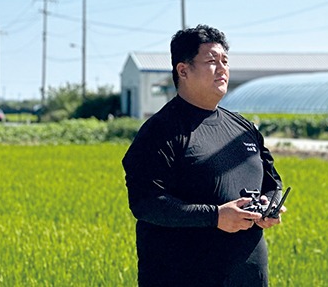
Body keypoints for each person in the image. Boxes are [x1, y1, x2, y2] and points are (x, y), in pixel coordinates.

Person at [122, 25, 284, 287]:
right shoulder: (160, 131)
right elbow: (146, 203)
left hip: (248, 275)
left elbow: (272, 182)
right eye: (211, 61)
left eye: (225, 61)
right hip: (182, 276)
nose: (222, 69)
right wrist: (215, 216)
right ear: (183, 70)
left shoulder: (244, 128)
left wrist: (270, 206)